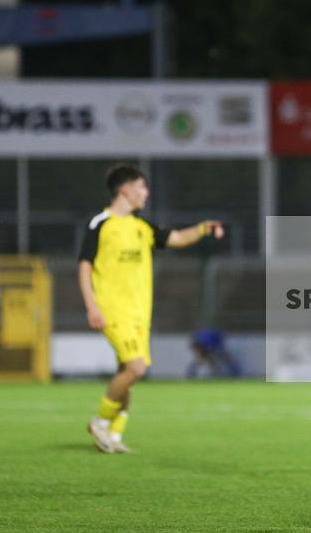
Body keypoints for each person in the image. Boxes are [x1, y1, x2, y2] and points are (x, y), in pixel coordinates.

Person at [79, 164, 224, 453]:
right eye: (142, 187)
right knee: (137, 368)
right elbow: (85, 265)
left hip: (139, 314)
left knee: (126, 374)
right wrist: (92, 306)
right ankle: (100, 422)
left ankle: (115, 436)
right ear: (126, 190)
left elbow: (178, 238)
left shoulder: (142, 228)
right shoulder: (101, 224)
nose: (146, 193)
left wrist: (202, 228)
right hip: (112, 310)